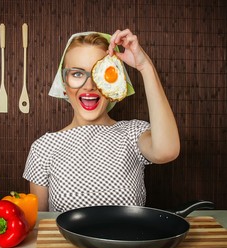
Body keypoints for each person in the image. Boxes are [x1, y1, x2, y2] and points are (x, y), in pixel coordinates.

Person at [23, 29, 180, 212]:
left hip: (127, 240)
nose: (89, 86)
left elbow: (167, 151)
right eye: (77, 74)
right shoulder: (43, 149)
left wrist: (145, 67)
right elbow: (41, 226)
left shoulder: (132, 134)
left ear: (115, 83)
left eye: (101, 72)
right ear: (64, 85)